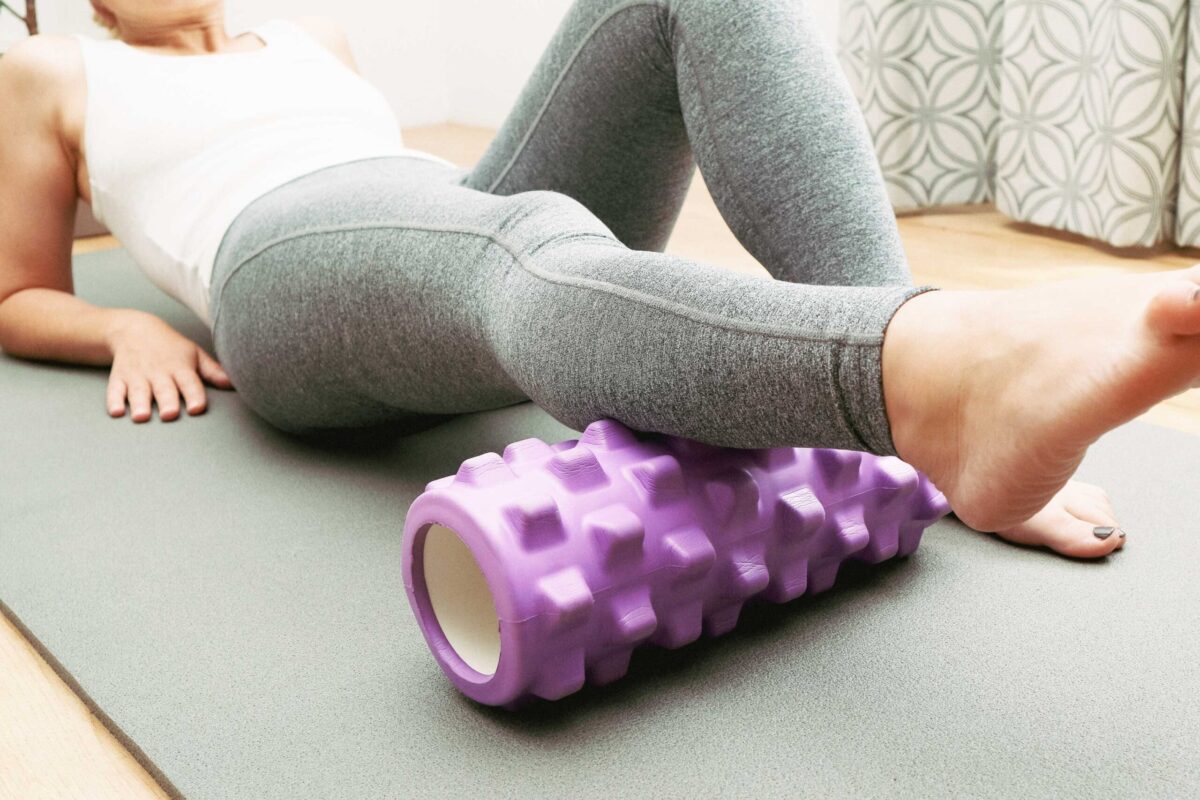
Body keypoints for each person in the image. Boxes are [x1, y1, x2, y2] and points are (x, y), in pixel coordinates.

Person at [3, 0, 1190, 560]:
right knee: (519, 239)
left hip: (423, 205)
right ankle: (924, 378)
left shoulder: (318, 37)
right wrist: (118, 326)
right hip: (274, 260)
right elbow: (11, 293)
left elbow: (419, 200)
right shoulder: (47, 69)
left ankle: (924, 387)